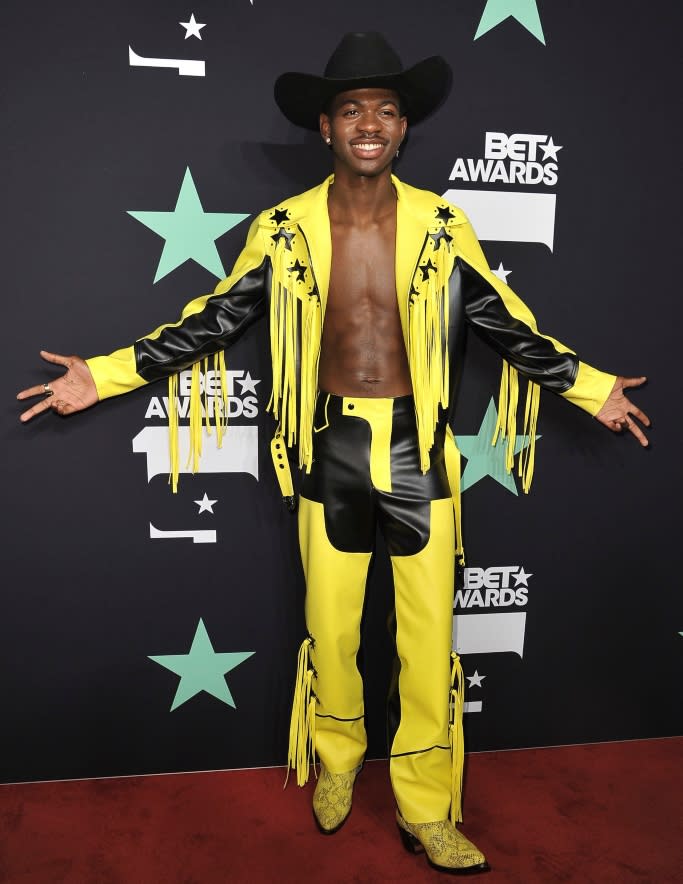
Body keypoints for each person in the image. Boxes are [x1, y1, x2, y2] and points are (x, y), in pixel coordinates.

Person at [17, 32, 649, 875]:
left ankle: (427, 809)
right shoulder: (280, 230)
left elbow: (501, 321)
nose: (370, 123)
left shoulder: (439, 225)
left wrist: (589, 386)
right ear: (325, 127)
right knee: (333, 629)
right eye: (352, 108)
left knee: (428, 644)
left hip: (417, 454)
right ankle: (338, 764)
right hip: (328, 448)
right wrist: (102, 375)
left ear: (402, 129)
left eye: (387, 110)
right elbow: (213, 318)